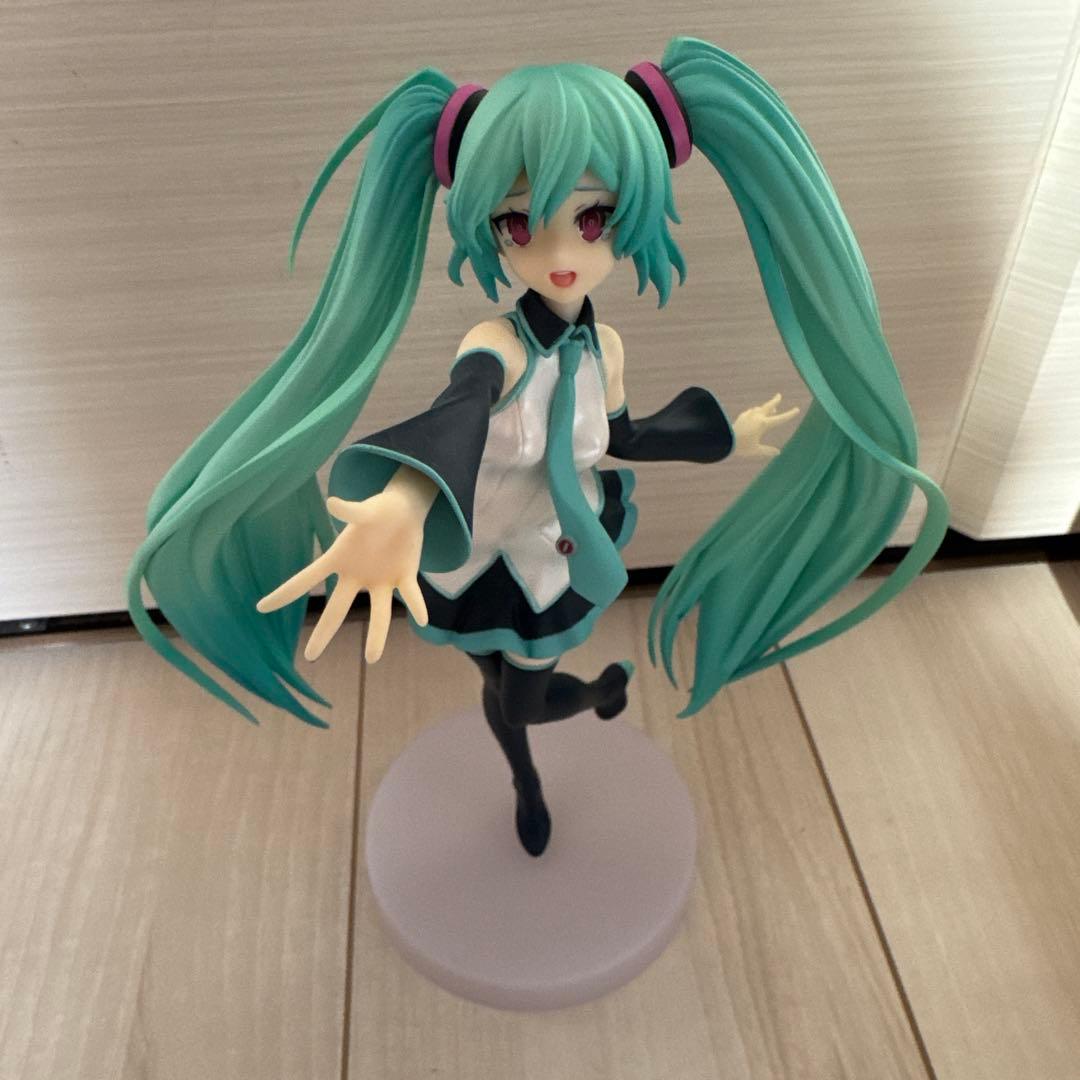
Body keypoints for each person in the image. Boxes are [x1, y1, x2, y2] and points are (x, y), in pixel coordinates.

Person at [127, 39, 949, 856]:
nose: (560, 256)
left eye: (593, 219)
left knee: (517, 701)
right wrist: (405, 501)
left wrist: (726, 435)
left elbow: (621, 436)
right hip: (475, 547)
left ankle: (579, 712)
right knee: (497, 683)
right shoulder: (497, 345)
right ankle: (546, 747)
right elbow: (459, 415)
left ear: (629, 216)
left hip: (548, 553)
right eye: (520, 223)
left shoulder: (604, 349)